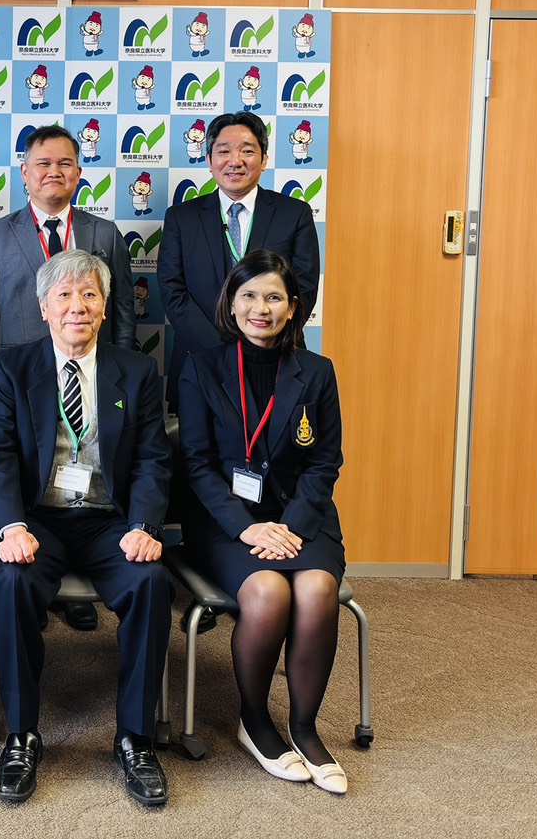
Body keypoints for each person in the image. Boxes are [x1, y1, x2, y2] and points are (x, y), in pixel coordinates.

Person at [0, 250, 173, 807]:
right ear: (43, 307)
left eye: (89, 294)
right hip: (38, 521)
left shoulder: (136, 371)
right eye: (63, 296)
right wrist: (11, 526)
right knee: (11, 583)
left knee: (151, 582)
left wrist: (143, 525)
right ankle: (22, 735)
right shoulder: (12, 368)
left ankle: (135, 738)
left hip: (111, 521)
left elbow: (153, 460)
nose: (76, 307)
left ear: (105, 307)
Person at [176, 250, 347, 795]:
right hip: (226, 520)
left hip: (301, 516)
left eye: (274, 297)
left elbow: (325, 463)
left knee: (317, 589)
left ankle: (305, 727)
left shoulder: (317, 372)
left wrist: (292, 526)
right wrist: (246, 527)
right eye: (248, 295)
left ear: (293, 307)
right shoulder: (201, 368)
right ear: (231, 303)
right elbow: (196, 465)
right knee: (269, 592)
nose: (261, 308)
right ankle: (255, 721)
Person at [0, 123, 135, 632]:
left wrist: (121, 382)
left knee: (84, 480)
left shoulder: (104, 233)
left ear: (80, 172)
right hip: (20, 392)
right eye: (42, 163)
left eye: (65, 163)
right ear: (24, 173)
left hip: (90, 382)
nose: (53, 172)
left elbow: (123, 318)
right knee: (34, 485)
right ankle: (34, 589)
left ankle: (74, 591)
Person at [158, 111, 319, 412]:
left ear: (264, 159)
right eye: (224, 151)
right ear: (209, 160)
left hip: (276, 361)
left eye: (247, 151)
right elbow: (172, 291)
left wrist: (259, 345)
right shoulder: (182, 218)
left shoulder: (294, 214)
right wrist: (224, 351)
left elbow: (304, 289)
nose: (235, 161)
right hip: (201, 361)